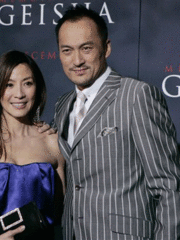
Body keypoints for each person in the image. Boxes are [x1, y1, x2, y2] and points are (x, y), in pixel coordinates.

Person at [53, 5, 180, 240]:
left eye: (86, 48)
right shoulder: (62, 105)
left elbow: (169, 187)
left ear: (106, 48)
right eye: (67, 50)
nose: (77, 60)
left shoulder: (136, 96)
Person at [0, 50, 66, 240]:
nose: (19, 94)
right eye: (9, 85)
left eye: (28, 84)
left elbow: (59, 210)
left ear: (37, 88)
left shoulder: (51, 141)